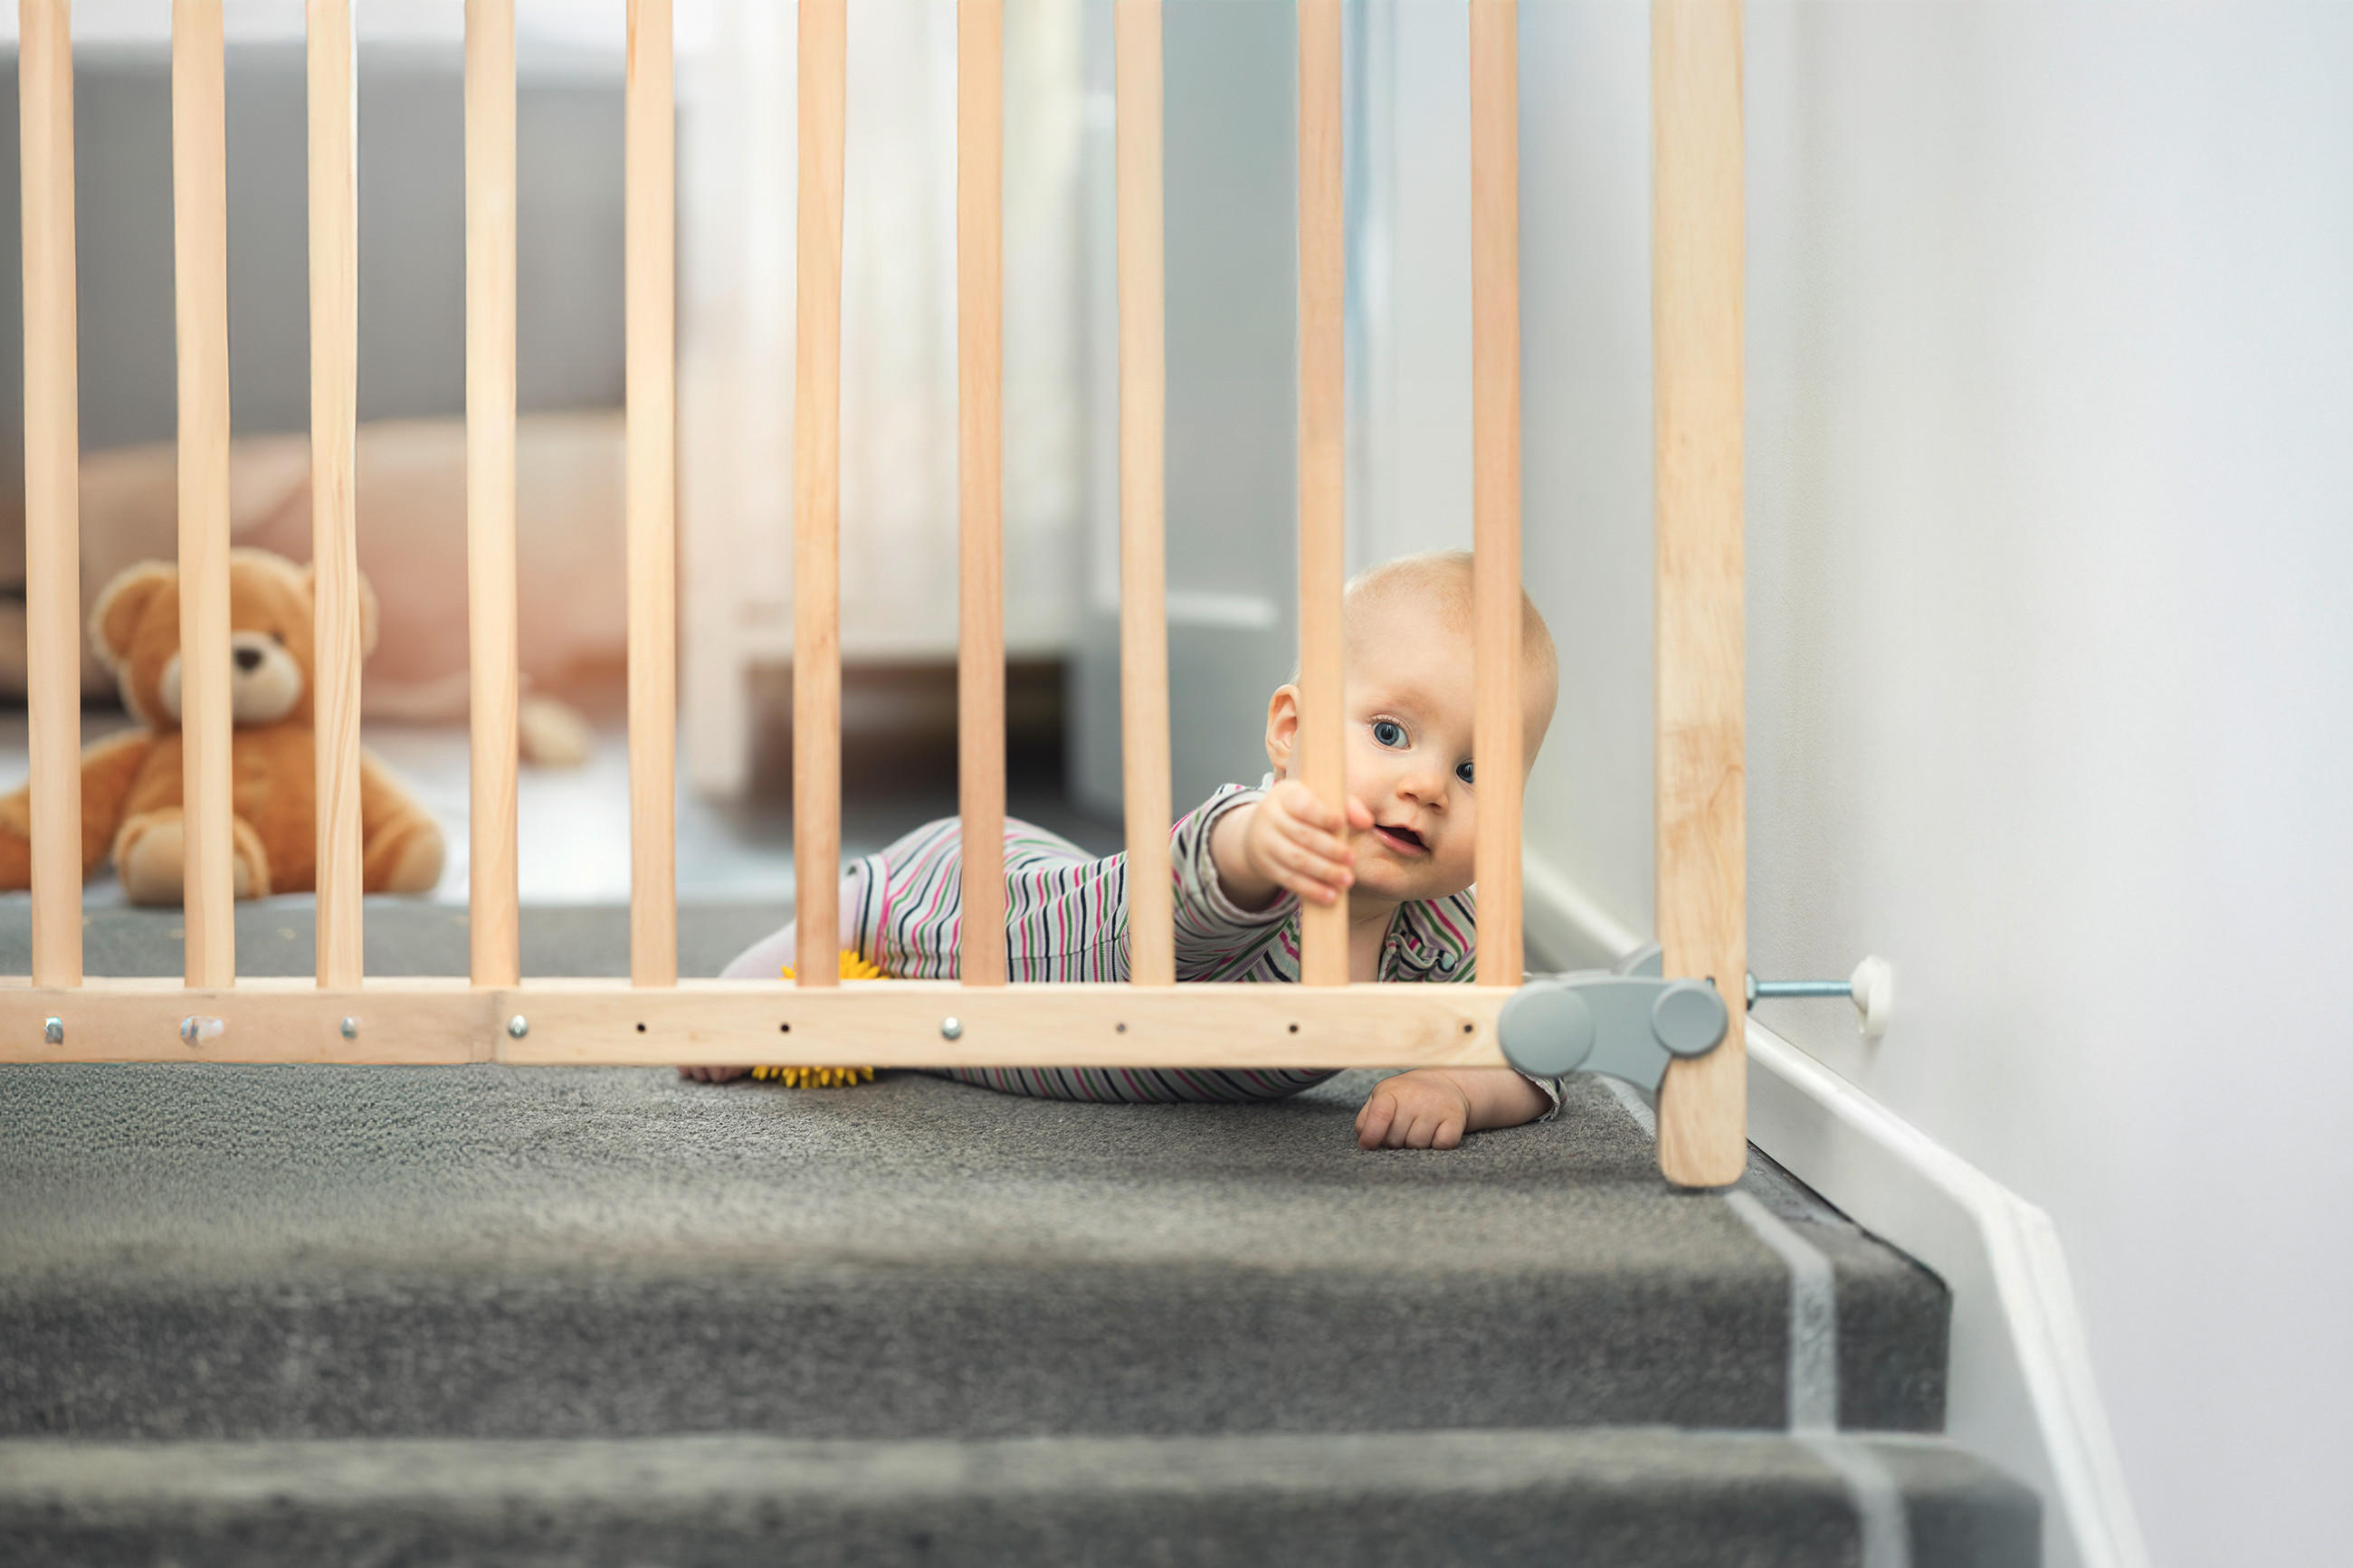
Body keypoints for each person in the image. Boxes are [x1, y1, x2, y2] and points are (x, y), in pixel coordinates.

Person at [686, 550, 1562, 1149]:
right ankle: (729, 992)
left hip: (998, 1038)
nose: (1427, 786)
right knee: (866, 910)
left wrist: (1456, 1089)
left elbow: (1529, 1051)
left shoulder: (1440, 932)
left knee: (907, 1026)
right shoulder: (1261, 837)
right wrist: (1260, 840)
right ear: (1289, 733)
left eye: (1474, 766)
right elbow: (1195, 888)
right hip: (988, 899)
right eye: (1387, 730)